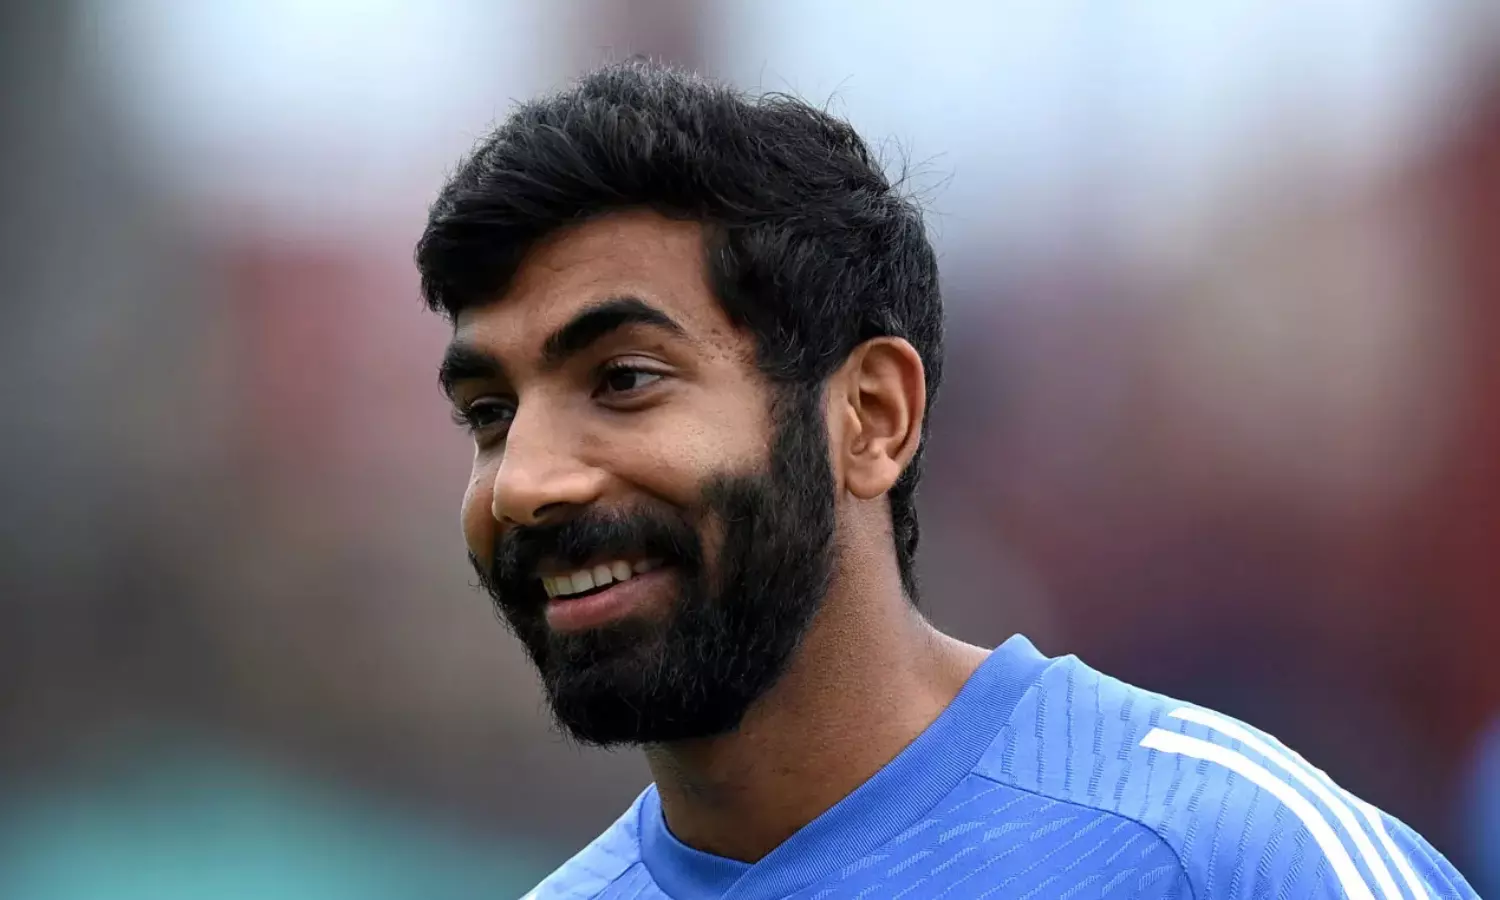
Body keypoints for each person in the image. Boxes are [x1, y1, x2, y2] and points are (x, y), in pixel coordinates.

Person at [415, 60, 1478, 900]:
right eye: (490, 415)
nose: (524, 485)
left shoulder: (1224, 854)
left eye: (625, 380)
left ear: (873, 416)